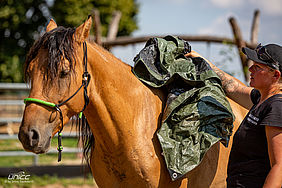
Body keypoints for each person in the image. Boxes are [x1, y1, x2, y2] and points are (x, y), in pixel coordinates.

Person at [186, 43, 282, 188]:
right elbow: (232, 87)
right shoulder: (260, 99)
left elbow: (279, 166)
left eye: (257, 67)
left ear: (275, 75)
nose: (250, 69)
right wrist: (202, 61)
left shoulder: (275, 107)